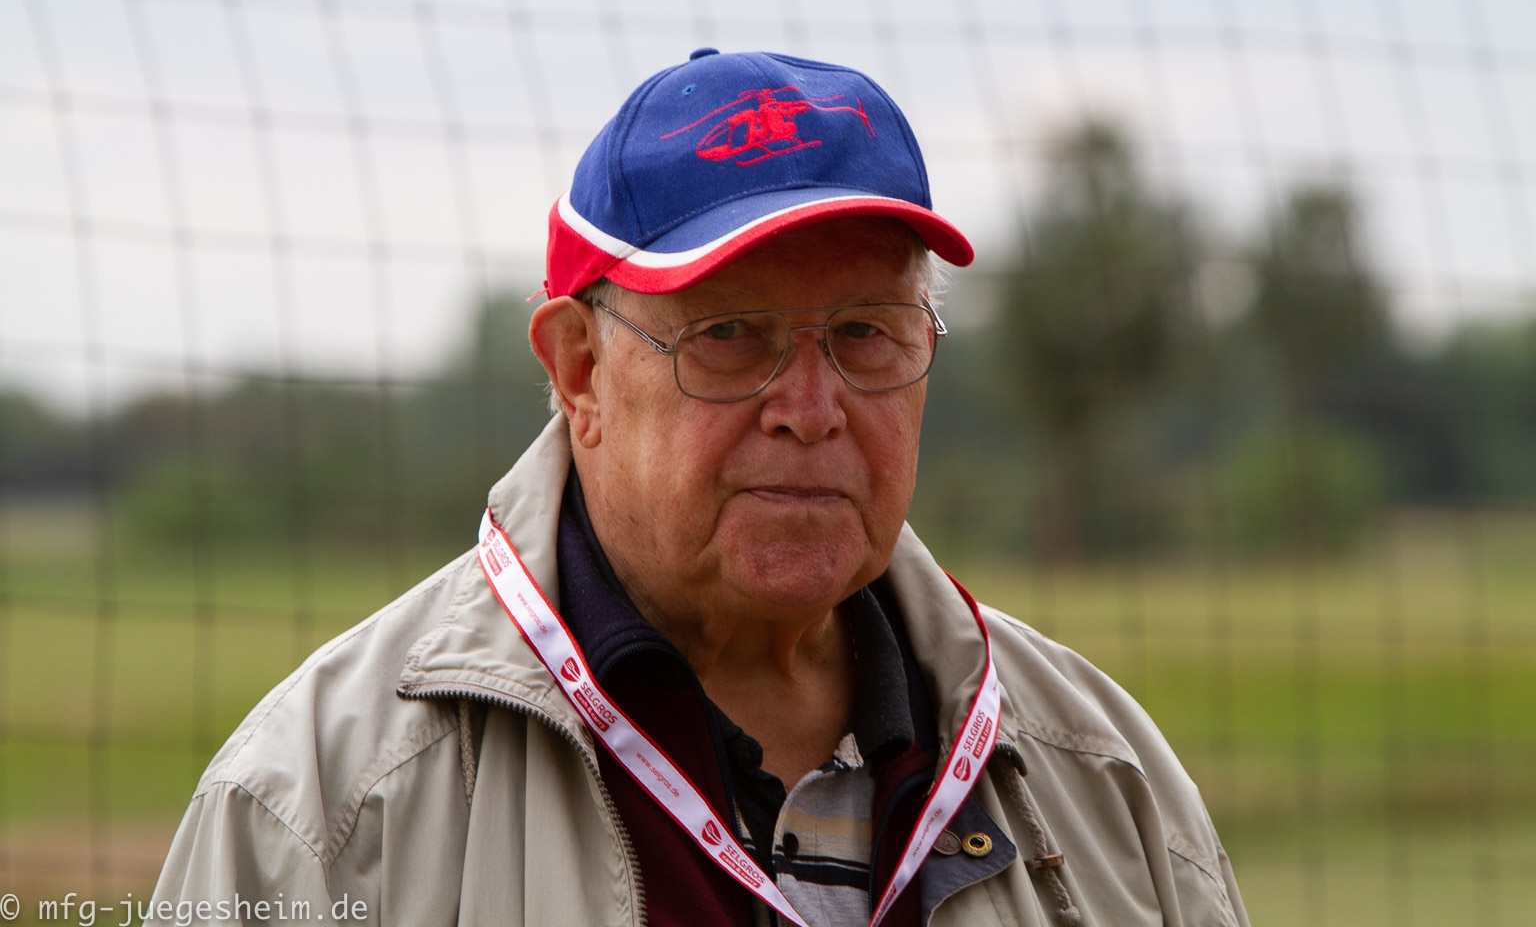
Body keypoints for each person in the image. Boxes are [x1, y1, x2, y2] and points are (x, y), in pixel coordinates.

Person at [149, 49, 1247, 927]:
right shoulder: (320, 808)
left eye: (866, 333)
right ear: (580, 370)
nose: (812, 407)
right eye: (730, 335)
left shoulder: (1106, 778)